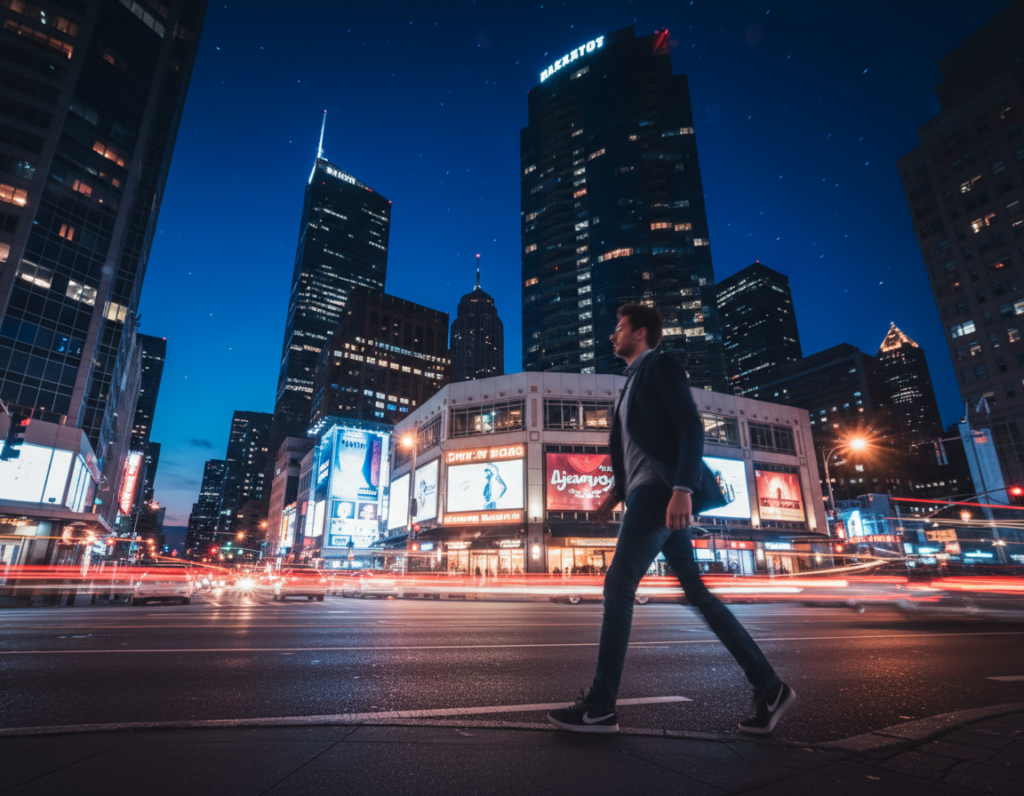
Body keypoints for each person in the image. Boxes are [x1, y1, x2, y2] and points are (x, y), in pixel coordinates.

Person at [547, 303, 795, 736]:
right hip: (644, 492)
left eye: (619, 328)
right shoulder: (628, 385)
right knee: (697, 594)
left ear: (640, 333)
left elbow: (689, 426)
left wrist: (682, 489)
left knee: (619, 586)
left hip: (660, 493)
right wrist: (613, 494)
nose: (612, 335)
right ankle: (769, 687)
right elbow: (637, 449)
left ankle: (601, 707)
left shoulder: (661, 364)